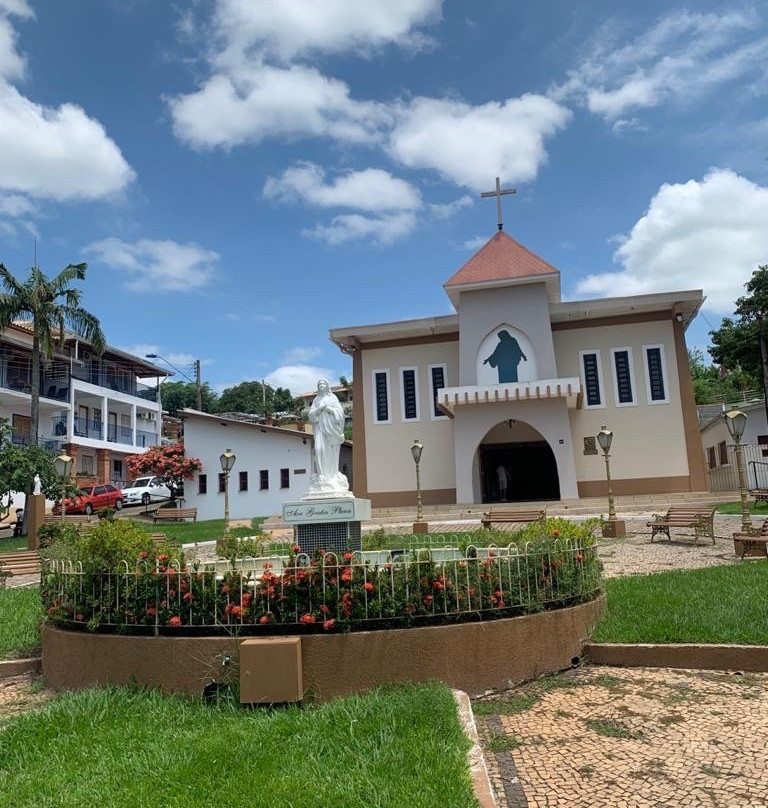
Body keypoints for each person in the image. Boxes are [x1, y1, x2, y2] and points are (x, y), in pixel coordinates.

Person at [308, 379, 348, 493]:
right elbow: (311, 415)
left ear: (327, 386)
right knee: (319, 449)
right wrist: (319, 408)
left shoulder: (333, 398)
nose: (321, 385)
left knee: (330, 452)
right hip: (319, 429)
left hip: (331, 431)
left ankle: (332, 477)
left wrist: (328, 409)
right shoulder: (316, 400)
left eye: (323, 384)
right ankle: (322, 476)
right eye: (319, 384)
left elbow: (340, 414)